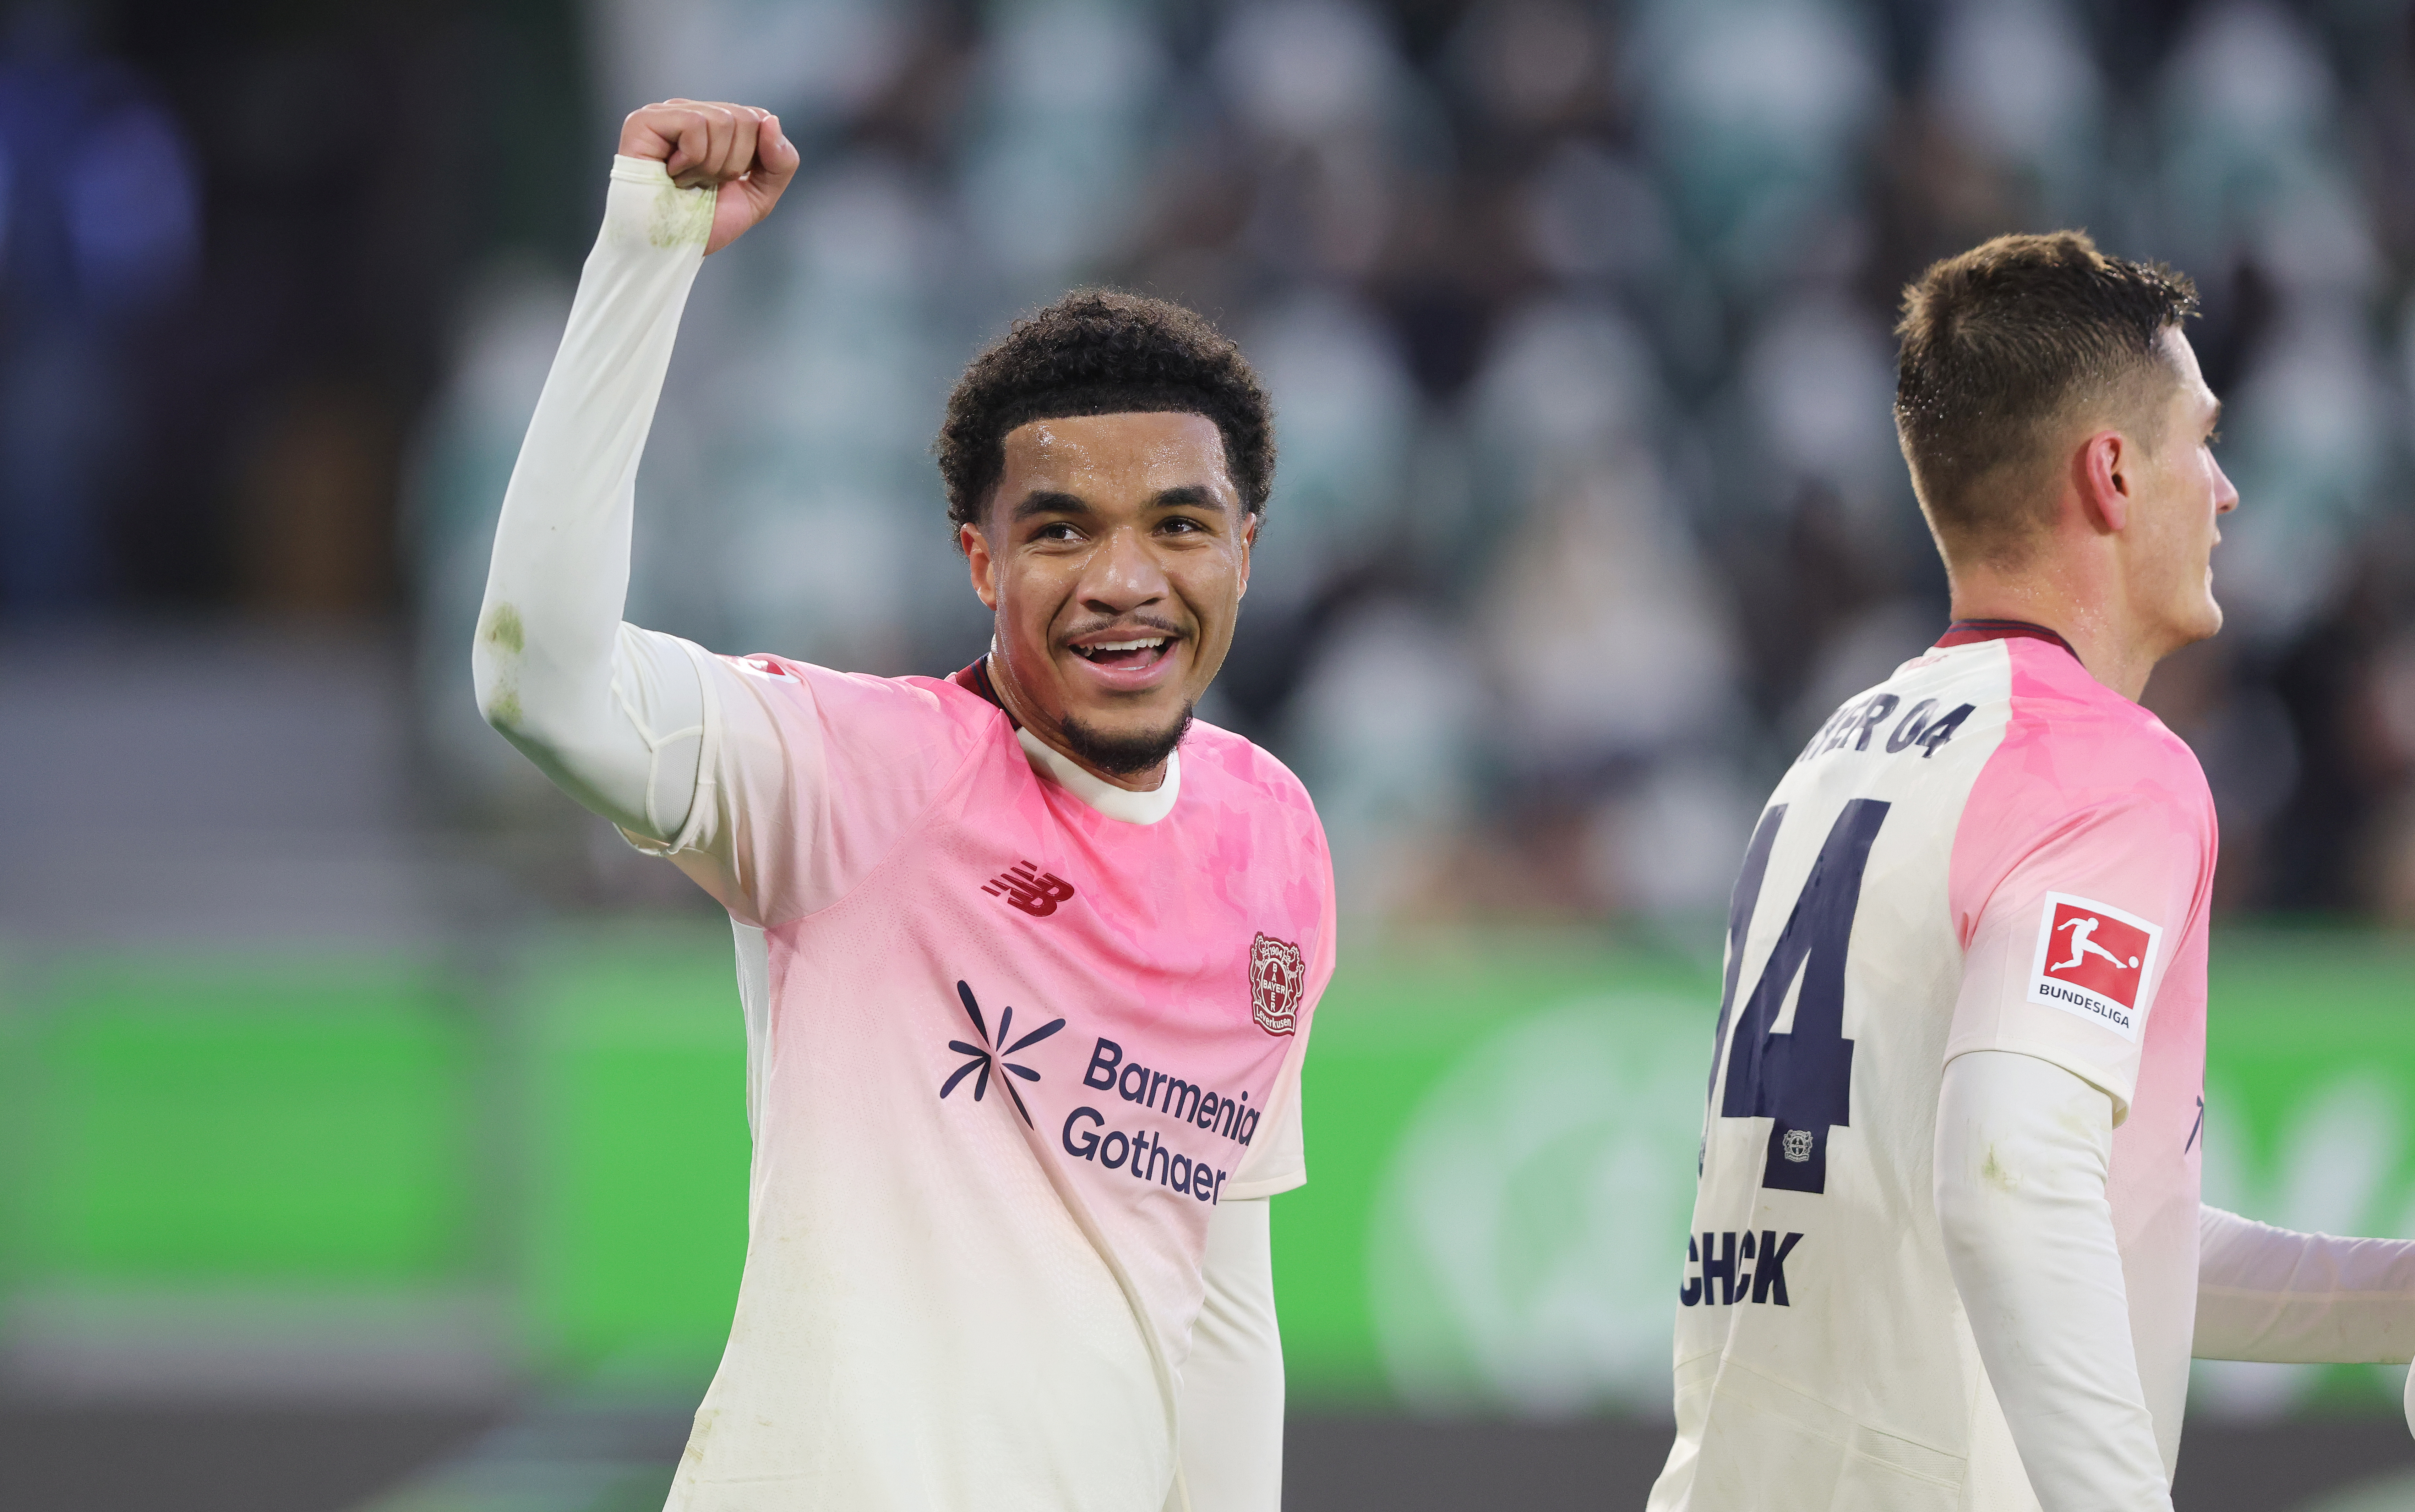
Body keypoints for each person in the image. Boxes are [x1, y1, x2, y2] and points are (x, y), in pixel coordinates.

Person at [472, 99, 1334, 1512]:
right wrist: (646, 253)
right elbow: (540, 680)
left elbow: (1222, 1291)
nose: (1125, 581)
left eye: (1178, 524)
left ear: (1244, 548)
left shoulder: (1274, 833)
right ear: (980, 562)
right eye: (1063, 530)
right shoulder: (856, 775)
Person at [1649, 231, 2415, 1511]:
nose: (2223, 492)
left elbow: (2080, 1231)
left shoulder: (1836, 755)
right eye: (2201, 442)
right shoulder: (2110, 768)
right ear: (2112, 473)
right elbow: (2011, 1181)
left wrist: (2397, 1295)